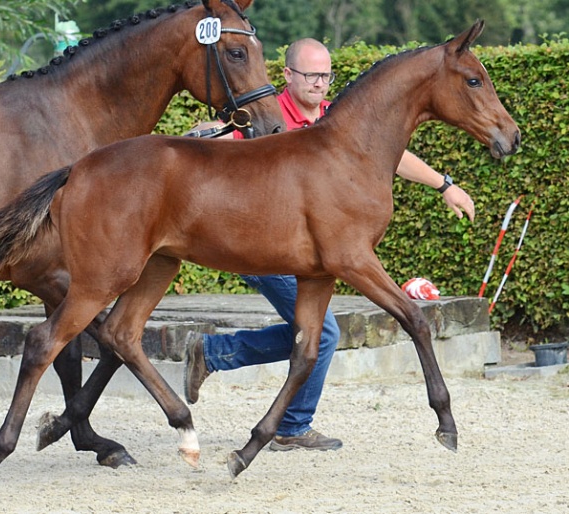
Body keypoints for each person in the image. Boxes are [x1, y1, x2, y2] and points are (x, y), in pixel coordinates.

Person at [184, 38, 475, 452]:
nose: (321, 83)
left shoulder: (332, 117)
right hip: (258, 240)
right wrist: (207, 139)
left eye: (326, 75)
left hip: (304, 244)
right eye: (312, 75)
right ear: (287, 76)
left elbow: (393, 155)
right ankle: (280, 414)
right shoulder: (267, 116)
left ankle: (216, 357)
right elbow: (226, 151)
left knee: (315, 332)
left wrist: (445, 185)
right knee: (322, 334)